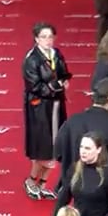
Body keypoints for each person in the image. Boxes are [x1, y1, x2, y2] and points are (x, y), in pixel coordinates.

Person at [22, 21, 72, 200]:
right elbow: (35, 86)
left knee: (54, 147)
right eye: (43, 37)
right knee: (43, 148)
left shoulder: (56, 54)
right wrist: (56, 86)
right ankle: (31, 181)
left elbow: (64, 72)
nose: (48, 40)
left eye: (50, 36)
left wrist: (64, 81)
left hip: (56, 106)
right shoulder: (31, 59)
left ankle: (42, 184)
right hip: (40, 109)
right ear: (36, 39)